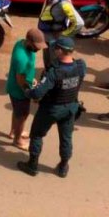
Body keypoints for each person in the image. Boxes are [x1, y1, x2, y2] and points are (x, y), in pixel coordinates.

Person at [17, 36, 86, 178]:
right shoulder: (81, 66)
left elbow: (37, 93)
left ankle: (32, 165)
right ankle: (63, 166)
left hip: (52, 109)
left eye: (55, 48)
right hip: (71, 107)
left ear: (60, 51)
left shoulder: (54, 72)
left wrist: (27, 90)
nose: (53, 50)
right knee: (66, 138)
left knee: (36, 134)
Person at [7, 29, 47, 151]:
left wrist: (32, 79)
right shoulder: (21, 58)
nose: (38, 49)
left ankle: (14, 132)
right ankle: (17, 140)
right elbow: (20, 80)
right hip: (19, 90)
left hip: (15, 86)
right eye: (36, 46)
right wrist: (30, 93)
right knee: (22, 115)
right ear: (29, 41)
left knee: (17, 112)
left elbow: (25, 74)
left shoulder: (21, 43)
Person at [38, 0, 83, 67]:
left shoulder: (63, 2)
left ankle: (51, 79)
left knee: (52, 62)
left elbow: (79, 23)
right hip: (48, 35)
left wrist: (64, 35)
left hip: (53, 37)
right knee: (47, 59)